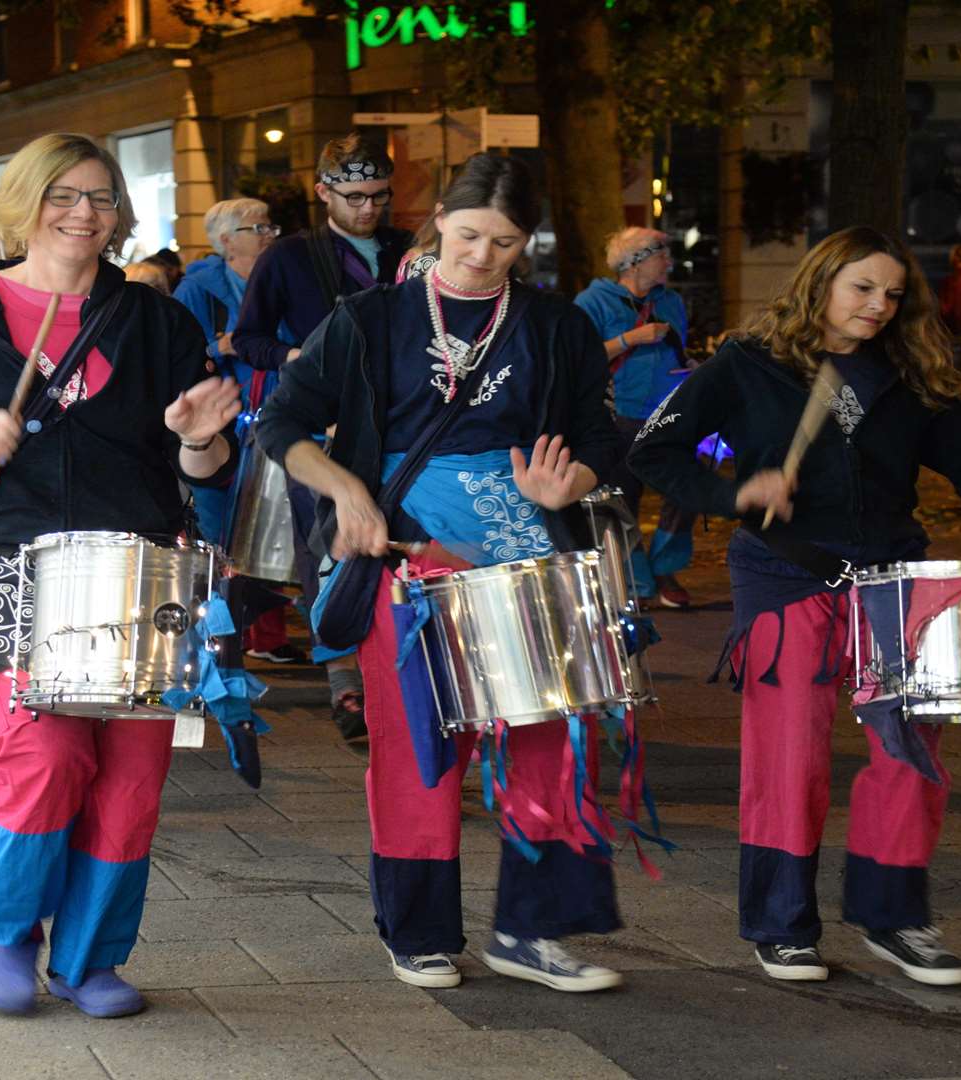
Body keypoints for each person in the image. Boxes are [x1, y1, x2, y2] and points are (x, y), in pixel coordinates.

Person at [0, 133, 240, 1020]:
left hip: (139, 575)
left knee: (134, 775)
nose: (83, 213)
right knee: (44, 753)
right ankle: (12, 935)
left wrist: (197, 436)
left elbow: (209, 467)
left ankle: (93, 959)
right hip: (4, 565)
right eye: (63, 194)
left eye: (102, 198)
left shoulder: (156, 320)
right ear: (25, 203)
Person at [631, 226, 961, 987]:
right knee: (788, 758)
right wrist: (733, 494)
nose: (879, 306)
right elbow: (654, 451)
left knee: (910, 752)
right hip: (785, 572)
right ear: (820, 283)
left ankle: (895, 917)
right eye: (862, 288)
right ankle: (781, 924)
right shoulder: (748, 365)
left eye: (892, 293)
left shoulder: (908, 371)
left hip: (894, 578)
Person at [257, 153, 627, 993]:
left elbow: (601, 439)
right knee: (420, 749)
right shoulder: (370, 318)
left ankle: (534, 933)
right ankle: (418, 932)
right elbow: (282, 420)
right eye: (467, 235)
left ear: (523, 242)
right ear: (439, 226)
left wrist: (575, 479)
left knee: (553, 744)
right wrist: (348, 490)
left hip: (529, 556)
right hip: (407, 557)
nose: (481, 255)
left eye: (503, 241)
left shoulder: (556, 325)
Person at [235, 133, 412, 742]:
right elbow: (247, 338)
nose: (369, 209)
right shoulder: (286, 257)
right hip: (320, 425)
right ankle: (345, 684)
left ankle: (405, 674)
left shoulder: (410, 249)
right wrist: (302, 360)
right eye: (356, 196)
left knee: (405, 547)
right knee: (326, 549)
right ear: (323, 192)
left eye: (380, 196)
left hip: (400, 425)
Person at [172, 197, 297, 662]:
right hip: (219, 427)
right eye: (258, 227)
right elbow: (179, 353)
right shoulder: (198, 289)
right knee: (221, 534)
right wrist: (218, 345)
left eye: (270, 225)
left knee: (271, 525)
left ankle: (268, 637)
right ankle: (217, 642)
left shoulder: (280, 281)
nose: (269, 234)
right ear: (226, 241)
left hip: (276, 421)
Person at [574, 226, 695, 609]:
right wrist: (631, 339)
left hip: (668, 415)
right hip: (617, 417)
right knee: (622, 501)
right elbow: (579, 359)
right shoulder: (593, 302)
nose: (669, 262)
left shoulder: (671, 301)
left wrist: (692, 368)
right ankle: (636, 581)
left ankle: (665, 567)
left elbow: (679, 349)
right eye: (662, 255)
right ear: (635, 262)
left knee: (685, 492)